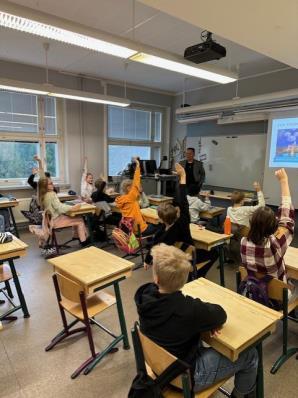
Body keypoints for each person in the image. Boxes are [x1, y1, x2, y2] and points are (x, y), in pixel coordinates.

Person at [135, 244, 258, 397]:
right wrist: (207, 321)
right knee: (250, 354)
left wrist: (204, 322)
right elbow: (220, 314)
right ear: (183, 281)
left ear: (156, 278)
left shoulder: (144, 297)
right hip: (185, 376)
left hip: (158, 366)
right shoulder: (189, 310)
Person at [144, 163, 218, 278]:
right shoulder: (181, 223)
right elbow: (183, 203)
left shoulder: (160, 233)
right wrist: (182, 177)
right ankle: (198, 274)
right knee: (215, 252)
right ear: (175, 213)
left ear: (161, 219)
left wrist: (147, 260)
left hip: (174, 259)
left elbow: (153, 248)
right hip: (186, 257)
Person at [241, 168, 297, 301]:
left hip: (253, 290)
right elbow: (286, 219)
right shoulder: (275, 244)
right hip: (277, 299)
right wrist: (284, 181)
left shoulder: (243, 242)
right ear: (273, 227)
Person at [38, 175, 88, 245]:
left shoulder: (43, 195)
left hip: (51, 221)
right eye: (50, 184)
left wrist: (67, 208)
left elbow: (57, 207)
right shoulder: (51, 194)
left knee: (76, 217)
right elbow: (59, 207)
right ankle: (84, 241)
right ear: (44, 186)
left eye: (52, 183)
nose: (53, 185)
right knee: (80, 220)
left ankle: (76, 236)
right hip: (56, 221)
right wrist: (72, 208)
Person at [115, 158, 156, 236]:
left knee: (148, 222)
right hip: (139, 230)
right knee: (159, 226)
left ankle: (149, 243)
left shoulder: (120, 199)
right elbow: (136, 180)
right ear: (128, 188)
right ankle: (151, 244)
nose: (136, 189)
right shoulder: (131, 197)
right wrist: (138, 165)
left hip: (129, 230)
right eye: (133, 187)